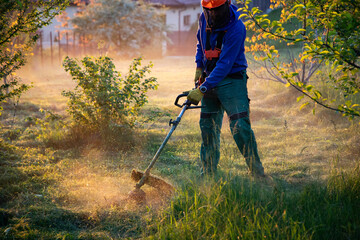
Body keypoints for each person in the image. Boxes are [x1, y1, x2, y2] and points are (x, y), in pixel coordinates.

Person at [187, 0, 265, 177]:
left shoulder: (237, 27)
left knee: (240, 127)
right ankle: (207, 175)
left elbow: (225, 64)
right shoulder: (203, 18)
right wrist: (199, 66)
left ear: (227, 4)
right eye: (209, 11)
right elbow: (201, 42)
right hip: (208, 78)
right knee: (208, 127)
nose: (213, 14)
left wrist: (202, 89)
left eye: (217, 10)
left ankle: (259, 175)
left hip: (232, 80)